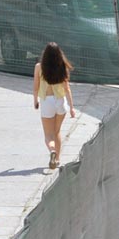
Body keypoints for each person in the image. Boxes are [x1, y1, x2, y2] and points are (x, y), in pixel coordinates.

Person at [33, 42, 76, 170]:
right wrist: (72, 108)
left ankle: (52, 150)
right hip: (60, 101)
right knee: (57, 132)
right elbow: (67, 89)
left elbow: (36, 87)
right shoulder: (62, 67)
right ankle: (57, 159)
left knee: (48, 135)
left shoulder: (39, 67)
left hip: (47, 101)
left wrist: (35, 101)